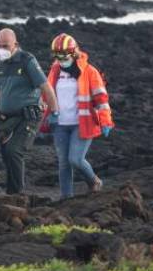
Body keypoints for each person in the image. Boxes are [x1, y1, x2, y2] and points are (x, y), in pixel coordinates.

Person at [42, 33, 113, 198]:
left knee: (75, 159)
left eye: (64, 55)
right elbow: (46, 95)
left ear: (73, 53)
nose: (60, 58)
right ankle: (66, 198)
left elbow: (101, 98)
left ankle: (94, 181)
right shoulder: (55, 70)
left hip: (82, 124)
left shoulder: (89, 72)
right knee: (63, 164)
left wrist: (105, 121)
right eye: (57, 55)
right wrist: (45, 116)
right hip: (60, 124)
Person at [0, 28, 59, 194]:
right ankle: (11, 192)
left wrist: (54, 112)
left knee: (14, 151)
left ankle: (18, 193)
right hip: (7, 118)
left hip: (29, 116)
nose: (2, 50)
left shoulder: (27, 60)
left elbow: (46, 87)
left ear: (16, 44)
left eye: (5, 46)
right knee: (6, 153)